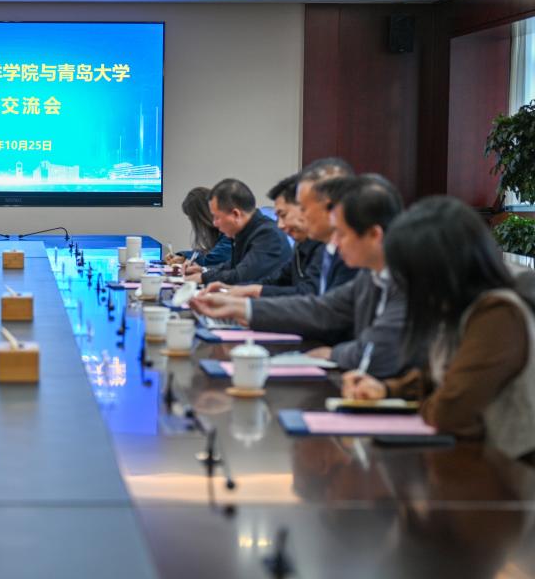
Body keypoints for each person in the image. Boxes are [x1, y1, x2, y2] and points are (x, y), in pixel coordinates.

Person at [342, 197, 535, 463]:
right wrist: (386, 390)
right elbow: (439, 375)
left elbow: (450, 411)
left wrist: (430, 403)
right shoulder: (457, 307)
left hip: (514, 471)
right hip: (478, 461)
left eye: (409, 273)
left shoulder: (498, 315)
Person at [192, 174, 407, 377]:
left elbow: (377, 351)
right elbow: (322, 308)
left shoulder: (405, 281)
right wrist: (242, 307)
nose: (335, 243)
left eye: (341, 233)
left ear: (374, 235)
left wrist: (335, 354)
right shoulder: (370, 276)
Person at [204, 174, 321, 297]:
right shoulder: (301, 244)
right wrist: (238, 290)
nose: (280, 225)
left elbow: (308, 295)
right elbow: (278, 279)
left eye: (283, 215)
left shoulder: (268, 234)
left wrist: (248, 300)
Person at [185, 178, 292, 285]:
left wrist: (203, 278)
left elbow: (242, 276)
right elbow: (233, 265)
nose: (214, 223)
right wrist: (204, 271)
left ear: (236, 214)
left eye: (217, 217)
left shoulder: (267, 234)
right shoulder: (248, 231)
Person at [295, 158, 359, 296]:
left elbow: (329, 306)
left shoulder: (356, 253)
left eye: (303, 208)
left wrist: (251, 305)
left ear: (329, 206)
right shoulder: (327, 247)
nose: (300, 216)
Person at [165, 187, 232, 268]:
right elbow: (210, 253)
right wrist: (183, 256)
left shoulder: (230, 230)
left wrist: (186, 258)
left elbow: (212, 259)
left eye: (193, 219)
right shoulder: (223, 228)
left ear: (203, 216)